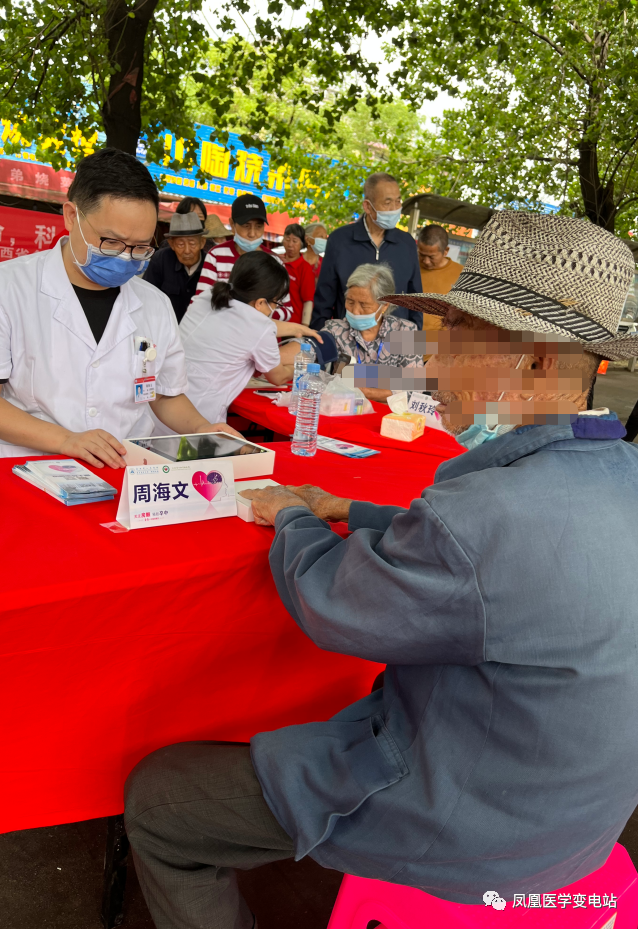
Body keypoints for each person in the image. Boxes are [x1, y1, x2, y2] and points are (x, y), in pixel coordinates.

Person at [124, 211, 638, 928]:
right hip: (584, 817)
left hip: (477, 822)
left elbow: (331, 600)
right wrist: (348, 505)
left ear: (539, 362)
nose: (437, 362)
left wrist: (294, 516)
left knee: (161, 805)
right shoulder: (617, 477)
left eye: (461, 339)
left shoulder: (488, 514)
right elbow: (479, 567)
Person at [0, 148, 241, 465]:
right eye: (110, 242)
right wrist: (66, 440)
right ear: (72, 216)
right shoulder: (11, 288)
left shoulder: (154, 304)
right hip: (32, 468)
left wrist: (203, 429)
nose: (126, 257)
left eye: (141, 247)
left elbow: (165, 394)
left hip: (127, 471)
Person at [179, 252, 297, 426]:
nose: (273, 309)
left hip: (163, 406)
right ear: (260, 303)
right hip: (196, 418)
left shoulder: (207, 296)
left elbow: (242, 327)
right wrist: (300, 368)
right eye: (276, 303)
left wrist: (300, 329)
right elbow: (277, 377)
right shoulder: (260, 327)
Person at [281, 262, 423, 403]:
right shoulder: (337, 329)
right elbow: (307, 348)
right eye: (350, 302)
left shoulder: (405, 331)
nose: (355, 311)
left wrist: (367, 392)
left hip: (390, 415)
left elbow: (415, 388)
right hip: (345, 412)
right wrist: (269, 356)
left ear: (384, 305)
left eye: (364, 305)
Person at [310, 172, 422, 330]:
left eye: (398, 202)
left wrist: (412, 345)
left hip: (395, 344)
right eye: (387, 202)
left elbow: (415, 301)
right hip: (348, 340)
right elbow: (324, 300)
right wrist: (319, 342)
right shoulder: (340, 241)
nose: (395, 209)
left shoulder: (407, 244)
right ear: (368, 206)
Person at [195, 194, 294, 323]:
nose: (252, 233)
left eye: (258, 226)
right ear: (232, 224)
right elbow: (201, 301)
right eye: (246, 226)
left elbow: (287, 310)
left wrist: (255, 317)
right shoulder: (216, 255)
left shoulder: (275, 261)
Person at [143, 213, 207, 323]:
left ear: (202, 242)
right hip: (164, 327)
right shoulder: (161, 260)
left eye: (192, 243)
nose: (187, 250)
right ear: (171, 244)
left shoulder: (210, 264)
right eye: (180, 244)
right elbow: (146, 296)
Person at [417, 224, 463, 333]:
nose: (426, 261)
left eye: (431, 257)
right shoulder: (411, 268)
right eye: (422, 255)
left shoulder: (462, 275)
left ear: (446, 251)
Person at [281, 223, 316, 325]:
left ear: (301, 244)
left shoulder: (304, 268)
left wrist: (304, 326)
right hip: (275, 321)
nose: (290, 244)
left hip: (294, 324)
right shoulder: (277, 261)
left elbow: (308, 301)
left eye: (294, 241)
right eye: (287, 239)